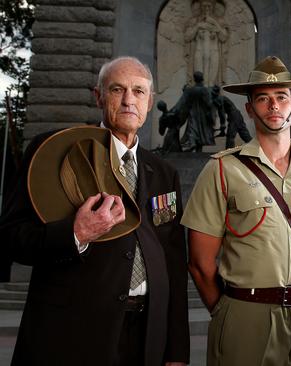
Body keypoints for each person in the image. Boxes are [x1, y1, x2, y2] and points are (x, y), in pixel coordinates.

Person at [0, 56, 190, 365]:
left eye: (139, 91)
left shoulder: (164, 171)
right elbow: (9, 237)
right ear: (98, 96)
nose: (129, 100)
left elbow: (173, 262)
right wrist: (76, 233)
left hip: (146, 337)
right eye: (117, 89)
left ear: (150, 100)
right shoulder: (54, 150)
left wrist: (176, 349)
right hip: (73, 334)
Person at [181, 56, 291, 366]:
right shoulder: (222, 169)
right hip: (247, 315)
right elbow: (200, 264)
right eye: (263, 99)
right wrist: (230, 312)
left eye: (282, 97)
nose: (274, 106)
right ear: (249, 109)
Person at [179, 71, 216, 152]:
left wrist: (184, 91)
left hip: (192, 113)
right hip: (203, 116)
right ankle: (194, 145)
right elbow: (209, 103)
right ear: (202, 79)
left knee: (192, 129)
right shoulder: (204, 90)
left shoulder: (190, 90)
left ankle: (193, 144)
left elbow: (184, 101)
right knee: (200, 132)